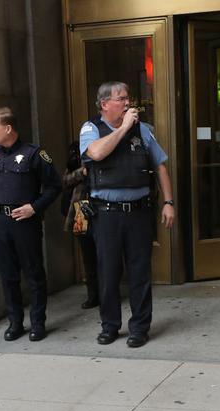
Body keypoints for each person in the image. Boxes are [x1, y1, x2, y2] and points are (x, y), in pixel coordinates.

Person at [80, 81, 176, 348]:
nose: (127, 103)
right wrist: (123, 129)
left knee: (140, 272)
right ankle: (110, 326)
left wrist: (168, 202)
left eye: (127, 98)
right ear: (104, 104)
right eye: (121, 99)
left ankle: (139, 328)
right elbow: (96, 153)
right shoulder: (91, 129)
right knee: (108, 272)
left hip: (138, 213)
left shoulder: (142, 130)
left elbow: (160, 167)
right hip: (106, 214)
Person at [0, 107, 62, 342]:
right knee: (8, 276)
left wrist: (34, 207)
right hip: (0, 223)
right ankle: (15, 323)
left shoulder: (34, 154)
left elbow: (54, 186)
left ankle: (37, 323)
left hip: (25, 224)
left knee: (34, 275)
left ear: (8, 128)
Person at [62, 140, 100, 310]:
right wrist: (82, 172)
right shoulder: (78, 155)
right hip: (81, 209)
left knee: (106, 254)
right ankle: (93, 295)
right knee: (87, 255)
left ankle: (108, 292)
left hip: (103, 208)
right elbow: (65, 180)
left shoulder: (105, 151)